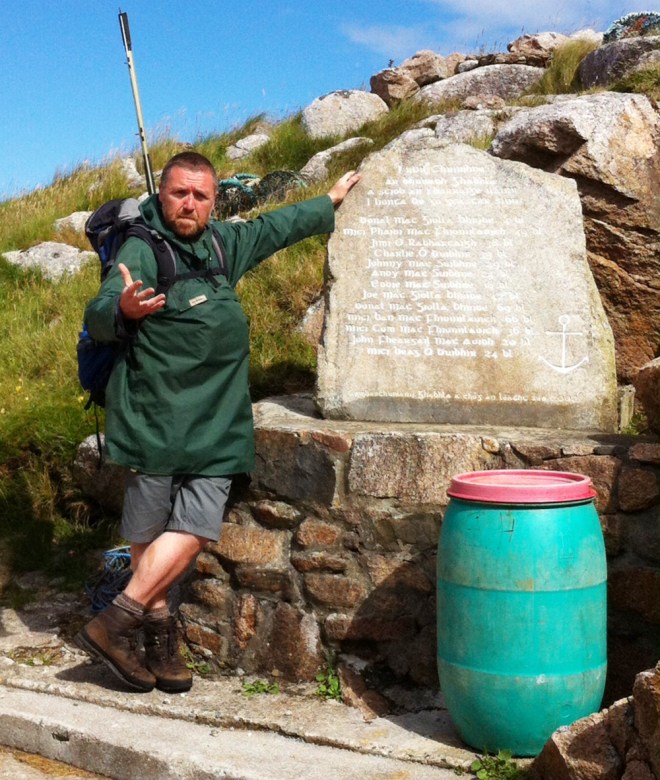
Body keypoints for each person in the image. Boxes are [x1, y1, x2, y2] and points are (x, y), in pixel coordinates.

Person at [75, 152, 361, 693]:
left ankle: (115, 621)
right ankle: (158, 633)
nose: (189, 203)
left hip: (216, 421)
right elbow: (101, 308)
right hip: (153, 415)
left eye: (200, 195)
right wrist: (125, 310)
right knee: (144, 531)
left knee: (196, 529)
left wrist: (329, 201)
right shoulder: (141, 246)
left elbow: (274, 227)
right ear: (162, 193)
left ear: (213, 200)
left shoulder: (224, 244)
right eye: (180, 192)